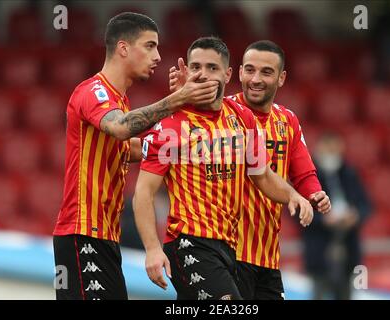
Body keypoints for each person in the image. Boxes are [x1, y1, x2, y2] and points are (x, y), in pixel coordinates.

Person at [52, 12, 219, 300]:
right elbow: (120, 128)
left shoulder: (119, 100)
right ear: (123, 48)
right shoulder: (94, 92)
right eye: (150, 45)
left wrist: (182, 118)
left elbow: (133, 147)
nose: (157, 56)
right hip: (81, 234)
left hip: (104, 236)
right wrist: (177, 99)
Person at [133, 36, 314, 300]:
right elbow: (144, 193)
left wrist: (293, 196)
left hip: (230, 249)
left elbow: (262, 175)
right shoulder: (171, 125)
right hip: (189, 244)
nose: (202, 75)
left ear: (228, 74)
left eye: (212, 68)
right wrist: (152, 248)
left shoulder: (242, 117)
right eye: (196, 67)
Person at [301, 132, 372, 300]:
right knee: (319, 292)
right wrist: (323, 219)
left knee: (345, 294)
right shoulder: (306, 175)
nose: (333, 154)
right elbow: (297, 209)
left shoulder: (350, 173)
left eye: (336, 150)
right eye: (329, 149)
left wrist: (355, 216)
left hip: (348, 246)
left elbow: (365, 205)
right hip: (320, 247)